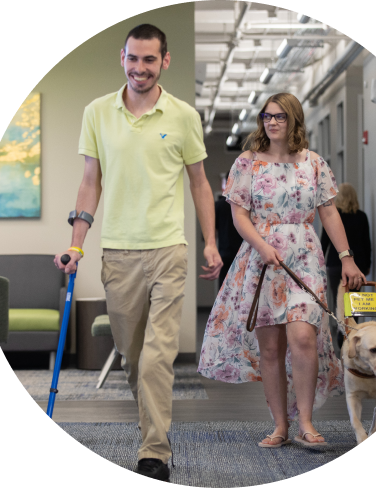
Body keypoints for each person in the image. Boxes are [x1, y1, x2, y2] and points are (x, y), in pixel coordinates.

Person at [54, 24, 222, 481]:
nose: (140, 68)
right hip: (118, 253)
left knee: (156, 357)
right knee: (132, 357)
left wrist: (209, 241)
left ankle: (154, 452)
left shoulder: (183, 115)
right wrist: (76, 242)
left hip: (169, 249)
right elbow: (91, 182)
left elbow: (200, 183)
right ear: (122, 58)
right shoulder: (97, 112)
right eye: (133, 58)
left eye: (150, 60)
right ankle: (153, 427)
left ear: (165, 60)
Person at [198, 93, 366, 448]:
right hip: (261, 261)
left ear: (294, 121)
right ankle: (280, 425)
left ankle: (306, 421)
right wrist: (262, 246)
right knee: (271, 349)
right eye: (266, 116)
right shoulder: (247, 163)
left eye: (279, 117)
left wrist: (346, 257)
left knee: (304, 337)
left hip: (304, 257)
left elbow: (329, 212)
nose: (271, 122)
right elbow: (239, 215)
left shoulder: (314, 163)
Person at [321, 183, 372, 349]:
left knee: (339, 302)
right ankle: (353, 337)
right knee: (355, 304)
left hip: (335, 265)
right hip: (357, 266)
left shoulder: (334, 217)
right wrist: (367, 265)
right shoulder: (362, 216)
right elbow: (366, 243)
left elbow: (324, 242)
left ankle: (341, 336)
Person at [215, 172, 244, 287]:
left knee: (224, 289)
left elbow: (213, 232)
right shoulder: (245, 204)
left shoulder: (219, 205)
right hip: (242, 252)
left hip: (225, 253)